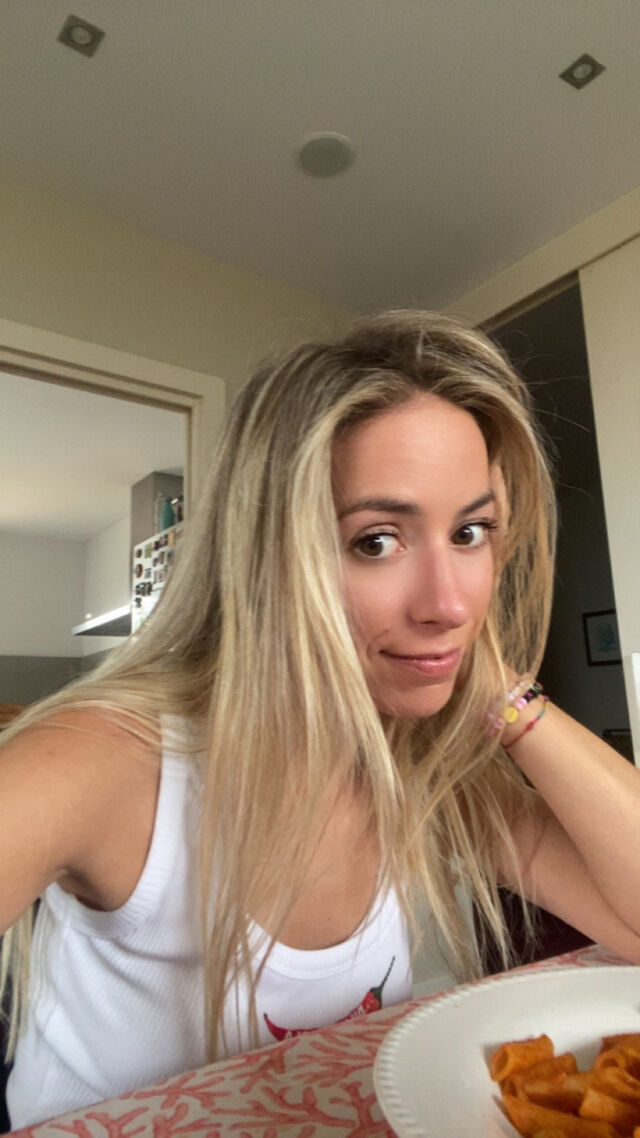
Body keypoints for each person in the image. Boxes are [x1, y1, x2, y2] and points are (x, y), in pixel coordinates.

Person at [1, 310, 639, 1127]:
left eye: (470, 532)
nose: (450, 604)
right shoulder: (108, 758)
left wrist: (504, 698)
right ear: (266, 559)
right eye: (376, 541)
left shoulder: (428, 774)